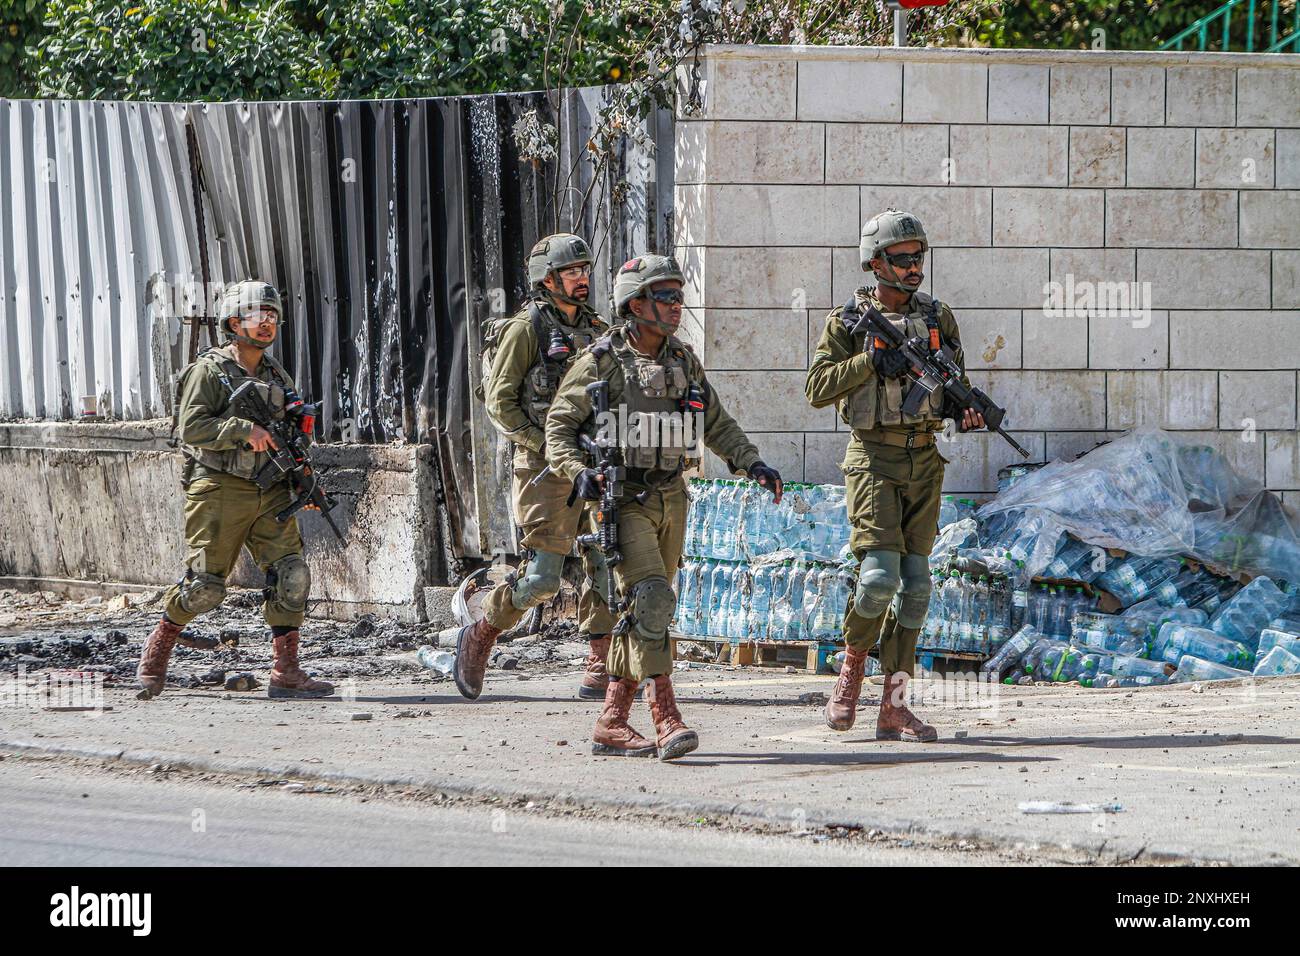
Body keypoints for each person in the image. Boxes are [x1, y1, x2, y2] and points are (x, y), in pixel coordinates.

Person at [545, 254, 783, 760]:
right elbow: (559, 428)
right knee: (651, 599)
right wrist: (578, 471)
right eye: (666, 296)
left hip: (672, 494)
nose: (677, 305)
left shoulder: (683, 360)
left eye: (679, 295)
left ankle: (611, 720)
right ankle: (665, 716)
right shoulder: (600, 361)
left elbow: (716, 421)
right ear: (635, 304)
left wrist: (751, 464)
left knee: (645, 611)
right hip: (621, 497)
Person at [805, 210, 984, 742]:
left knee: (918, 586)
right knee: (879, 578)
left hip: (924, 461)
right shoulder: (848, 321)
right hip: (873, 459)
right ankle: (850, 675)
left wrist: (963, 412)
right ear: (875, 262)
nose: (914, 268)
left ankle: (895, 706)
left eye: (918, 258)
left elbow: (956, 385)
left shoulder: (937, 318)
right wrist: (868, 364)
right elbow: (816, 387)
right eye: (903, 259)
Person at [136, 280, 332, 701]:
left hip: (272, 489)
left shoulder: (276, 373)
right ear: (232, 322)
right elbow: (190, 428)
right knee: (205, 587)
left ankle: (286, 672)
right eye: (257, 315)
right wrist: (243, 430)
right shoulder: (208, 371)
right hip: (220, 489)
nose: (266, 323)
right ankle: (158, 647)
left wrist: (306, 479)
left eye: (272, 316)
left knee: (293, 575)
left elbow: (292, 435)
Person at [451, 233, 618, 701]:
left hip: (593, 462)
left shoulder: (599, 329)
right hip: (543, 469)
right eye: (572, 272)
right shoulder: (527, 329)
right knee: (543, 575)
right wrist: (543, 443)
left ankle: (599, 660)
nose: (582, 278)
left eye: (585, 270)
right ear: (548, 279)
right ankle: (483, 631)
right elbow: (500, 403)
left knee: (605, 558)